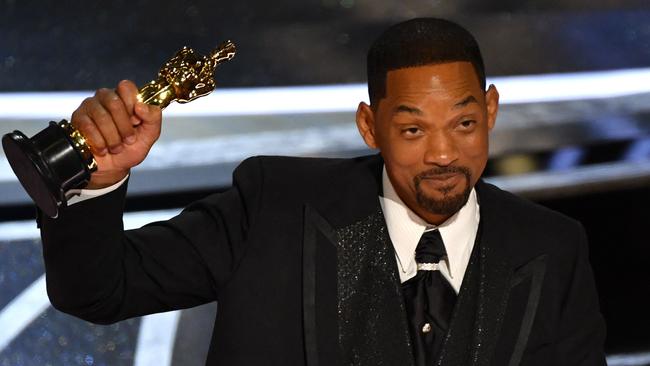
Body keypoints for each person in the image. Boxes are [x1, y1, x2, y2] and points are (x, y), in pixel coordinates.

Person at [39, 18, 607, 365]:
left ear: (490, 111)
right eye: (413, 129)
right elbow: (97, 290)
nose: (442, 154)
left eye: (464, 124)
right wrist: (101, 179)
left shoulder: (552, 247)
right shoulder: (273, 207)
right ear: (369, 125)